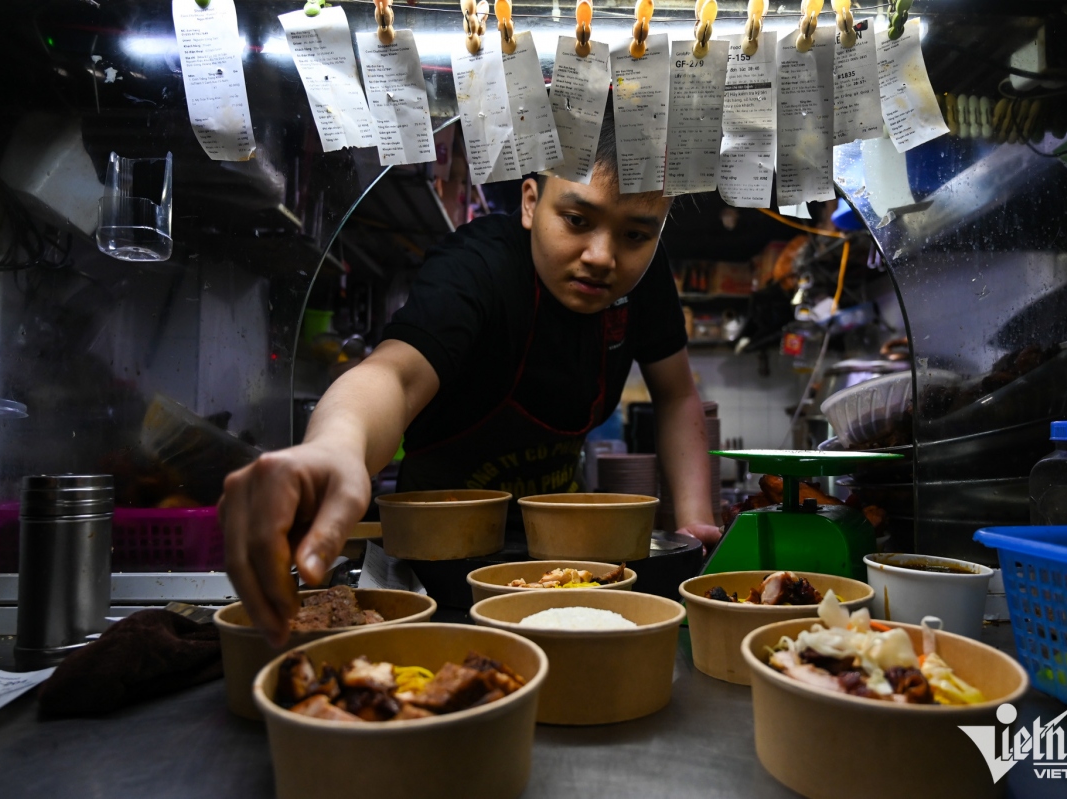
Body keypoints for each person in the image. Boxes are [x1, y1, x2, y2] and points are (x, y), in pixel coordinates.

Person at [220, 99, 721, 646]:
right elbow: (395, 374)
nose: (603, 256)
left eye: (636, 236)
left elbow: (676, 395)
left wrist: (695, 525)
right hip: (435, 566)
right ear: (531, 202)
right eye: (576, 220)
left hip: (560, 561)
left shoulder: (642, 282)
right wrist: (336, 448)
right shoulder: (478, 267)